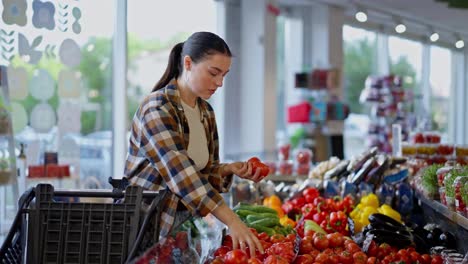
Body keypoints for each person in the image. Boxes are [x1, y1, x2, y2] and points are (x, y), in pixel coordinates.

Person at [124, 31, 264, 257]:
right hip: (148, 227)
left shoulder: (205, 112)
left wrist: (227, 169)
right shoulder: (157, 109)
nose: (219, 83)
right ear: (187, 63)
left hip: (185, 228)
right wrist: (233, 221)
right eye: (213, 73)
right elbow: (183, 176)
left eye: (224, 75)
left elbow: (202, 174)